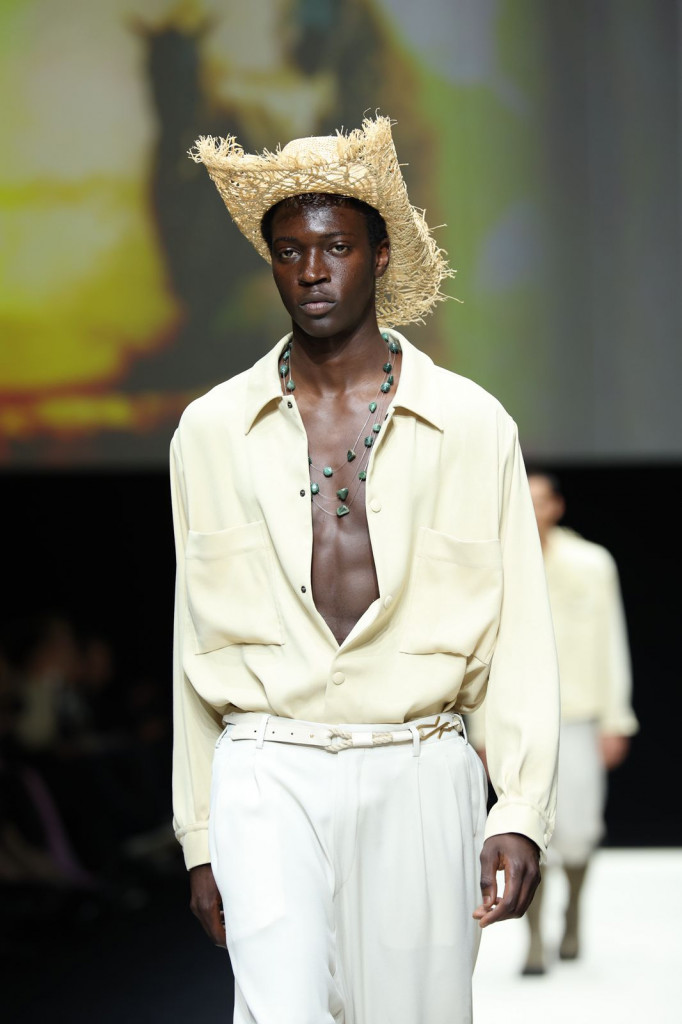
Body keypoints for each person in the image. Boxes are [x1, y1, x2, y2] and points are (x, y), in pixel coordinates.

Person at [170, 114, 560, 1024]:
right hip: (266, 763)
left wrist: (521, 808)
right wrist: (200, 834)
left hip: (419, 761)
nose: (312, 271)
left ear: (380, 256)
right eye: (290, 252)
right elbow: (194, 638)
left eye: (337, 247)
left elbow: (519, 634)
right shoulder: (211, 431)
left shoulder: (471, 425)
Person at [469, 471, 638, 975]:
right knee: (523, 823)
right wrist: (481, 729)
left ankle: (573, 914)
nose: (533, 507)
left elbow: (611, 640)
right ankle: (535, 940)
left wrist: (616, 718)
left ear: (557, 506)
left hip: (578, 716)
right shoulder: (494, 563)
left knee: (580, 829)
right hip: (515, 716)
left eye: (541, 499)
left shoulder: (591, 563)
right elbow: (480, 649)